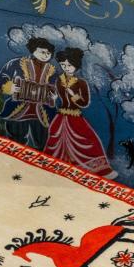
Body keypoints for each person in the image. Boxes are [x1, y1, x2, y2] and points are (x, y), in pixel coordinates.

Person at [44, 48, 113, 176]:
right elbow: (58, 99)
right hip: (61, 116)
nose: (66, 68)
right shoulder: (59, 81)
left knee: (87, 140)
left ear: (76, 65)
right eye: (63, 65)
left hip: (75, 117)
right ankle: (59, 165)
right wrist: (54, 98)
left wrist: (74, 95)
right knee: (55, 137)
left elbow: (84, 103)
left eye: (69, 65)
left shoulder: (81, 83)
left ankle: (93, 168)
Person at [0, 37, 60, 149]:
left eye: (48, 53)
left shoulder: (52, 71)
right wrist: (9, 87)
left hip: (42, 113)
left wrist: (55, 96)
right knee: (16, 141)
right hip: (18, 110)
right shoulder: (17, 63)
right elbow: (3, 77)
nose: (45, 55)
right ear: (33, 50)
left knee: (42, 142)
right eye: (42, 52)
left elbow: (57, 87)